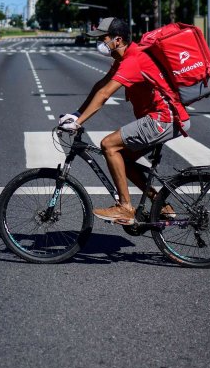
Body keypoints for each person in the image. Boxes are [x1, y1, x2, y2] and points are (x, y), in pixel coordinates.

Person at [59, 17, 190, 225]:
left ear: (117, 40)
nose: (100, 43)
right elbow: (100, 85)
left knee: (108, 145)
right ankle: (161, 204)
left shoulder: (133, 60)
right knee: (123, 160)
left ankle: (125, 208)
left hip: (163, 119)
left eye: (104, 38)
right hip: (164, 118)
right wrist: (76, 114)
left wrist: (78, 122)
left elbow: (104, 95)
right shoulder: (123, 59)